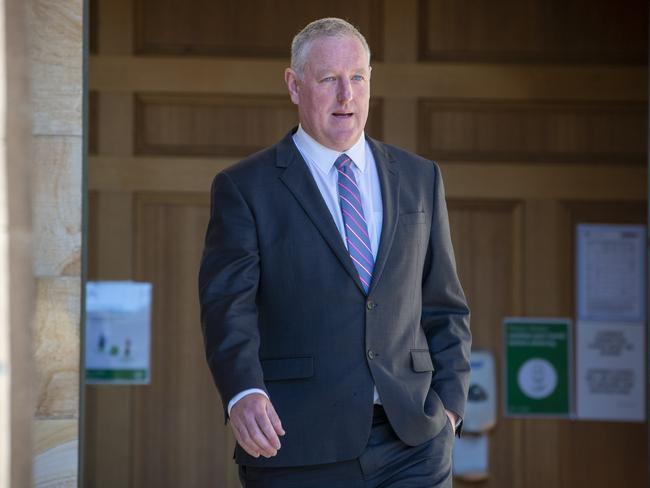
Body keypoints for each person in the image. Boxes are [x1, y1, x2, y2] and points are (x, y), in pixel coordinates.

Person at [198, 17, 471, 487]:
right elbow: (228, 307)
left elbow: (443, 302)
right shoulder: (246, 187)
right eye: (329, 79)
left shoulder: (420, 177)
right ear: (294, 84)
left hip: (414, 440)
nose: (347, 95)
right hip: (298, 443)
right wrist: (243, 391)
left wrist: (449, 409)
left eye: (357, 78)